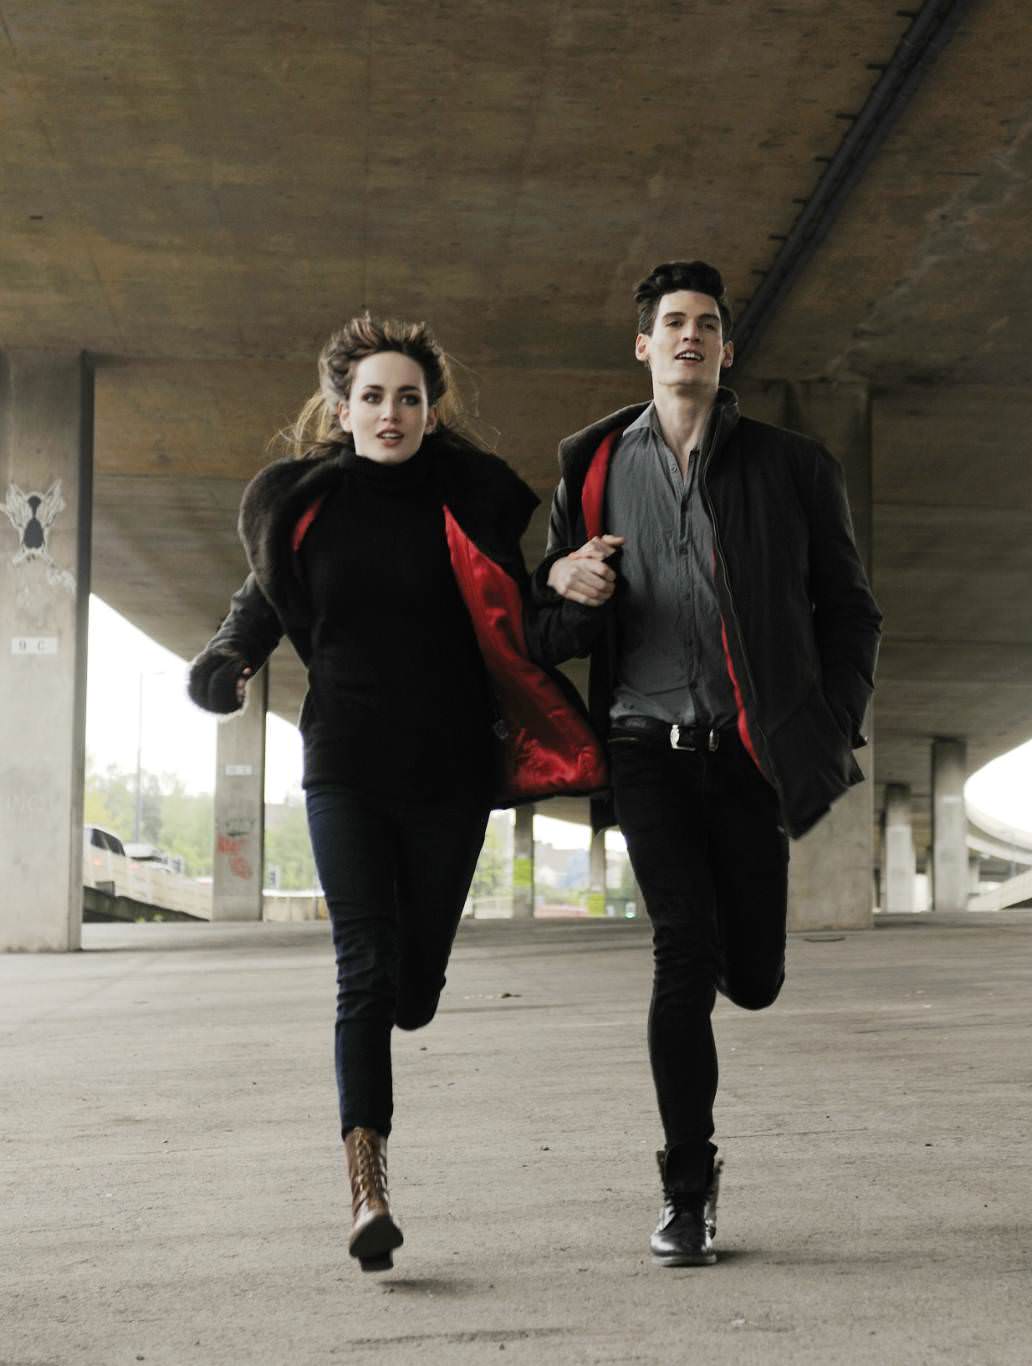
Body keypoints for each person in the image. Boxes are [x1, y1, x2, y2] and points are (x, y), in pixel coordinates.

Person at [187, 315, 604, 1272]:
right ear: (342, 410)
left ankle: (403, 1020)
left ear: (429, 409)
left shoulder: (469, 503)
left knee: (411, 992)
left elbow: (521, 615)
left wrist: (573, 598)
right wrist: (226, 660)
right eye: (372, 396)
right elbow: (257, 604)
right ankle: (367, 1189)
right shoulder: (306, 508)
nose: (390, 411)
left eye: (409, 397)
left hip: (450, 775)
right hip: (343, 767)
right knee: (364, 973)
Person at [537, 260, 881, 1266]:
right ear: (642, 346)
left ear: (727, 350)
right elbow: (545, 621)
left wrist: (830, 719)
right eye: (672, 323)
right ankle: (688, 1190)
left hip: (748, 753)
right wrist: (561, 580)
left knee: (756, 978)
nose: (690, 336)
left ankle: (745, 963)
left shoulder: (791, 467)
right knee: (680, 954)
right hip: (644, 746)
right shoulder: (592, 465)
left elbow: (849, 608)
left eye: (708, 325)